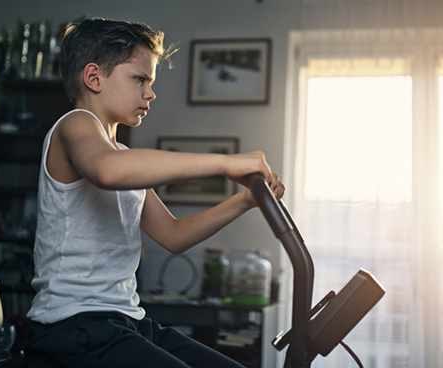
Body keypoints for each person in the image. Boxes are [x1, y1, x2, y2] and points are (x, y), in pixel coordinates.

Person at [24, 17, 284, 368]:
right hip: (73, 325)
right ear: (93, 77)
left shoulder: (125, 158)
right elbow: (105, 171)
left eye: (151, 81)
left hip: (126, 321)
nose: (151, 93)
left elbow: (174, 235)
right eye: (140, 79)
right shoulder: (75, 125)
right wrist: (224, 163)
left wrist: (244, 201)